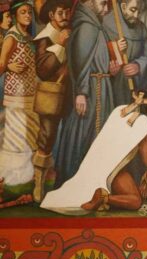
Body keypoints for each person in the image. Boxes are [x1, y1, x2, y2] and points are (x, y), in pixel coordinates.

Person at [52, 0, 114, 188]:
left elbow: (95, 59)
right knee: (82, 133)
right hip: (91, 90)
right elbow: (81, 63)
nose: (105, 10)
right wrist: (81, 92)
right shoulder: (86, 26)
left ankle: (90, 183)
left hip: (99, 86)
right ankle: (73, 182)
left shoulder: (93, 24)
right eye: (103, 4)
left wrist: (109, 69)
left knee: (93, 134)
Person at [32, 0, 72, 202]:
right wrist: (61, 45)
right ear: (51, 16)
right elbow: (43, 70)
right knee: (46, 139)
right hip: (52, 95)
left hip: (70, 94)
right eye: (60, 13)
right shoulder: (45, 37)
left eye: (67, 12)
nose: (64, 16)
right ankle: (39, 184)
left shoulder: (72, 31)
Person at [0, 0, 40, 187]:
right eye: (23, 12)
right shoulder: (12, 36)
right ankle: (12, 179)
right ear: (15, 15)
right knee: (16, 137)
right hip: (15, 95)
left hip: (30, 94)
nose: (27, 16)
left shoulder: (30, 38)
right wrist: (8, 66)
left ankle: (28, 178)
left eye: (29, 12)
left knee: (31, 135)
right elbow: (2, 63)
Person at [103, 0, 147, 106]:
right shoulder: (105, 24)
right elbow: (96, 56)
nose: (136, 15)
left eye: (139, 11)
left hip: (136, 88)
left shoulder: (141, 28)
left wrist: (139, 66)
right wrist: (114, 50)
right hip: (112, 90)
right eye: (133, 10)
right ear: (123, 6)